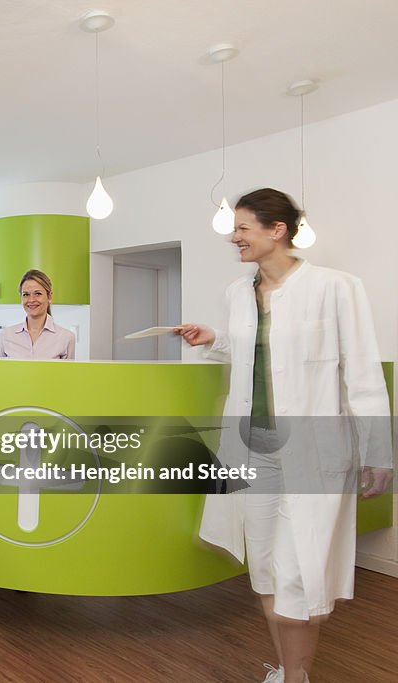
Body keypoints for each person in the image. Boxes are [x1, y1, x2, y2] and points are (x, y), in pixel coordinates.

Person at [176, 188, 392, 683]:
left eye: (243, 228)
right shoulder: (238, 292)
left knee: (298, 574)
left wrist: (379, 453)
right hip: (252, 450)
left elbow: (362, 375)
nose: (234, 237)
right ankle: (288, 670)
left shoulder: (336, 288)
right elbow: (255, 354)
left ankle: (296, 677)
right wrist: (216, 340)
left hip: (313, 453)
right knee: (267, 568)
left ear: (279, 231)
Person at [0, 269, 75, 359]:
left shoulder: (66, 338)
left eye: (38, 294)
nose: (31, 300)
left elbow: (67, 373)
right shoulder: (5, 336)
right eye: (26, 294)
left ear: (49, 297)